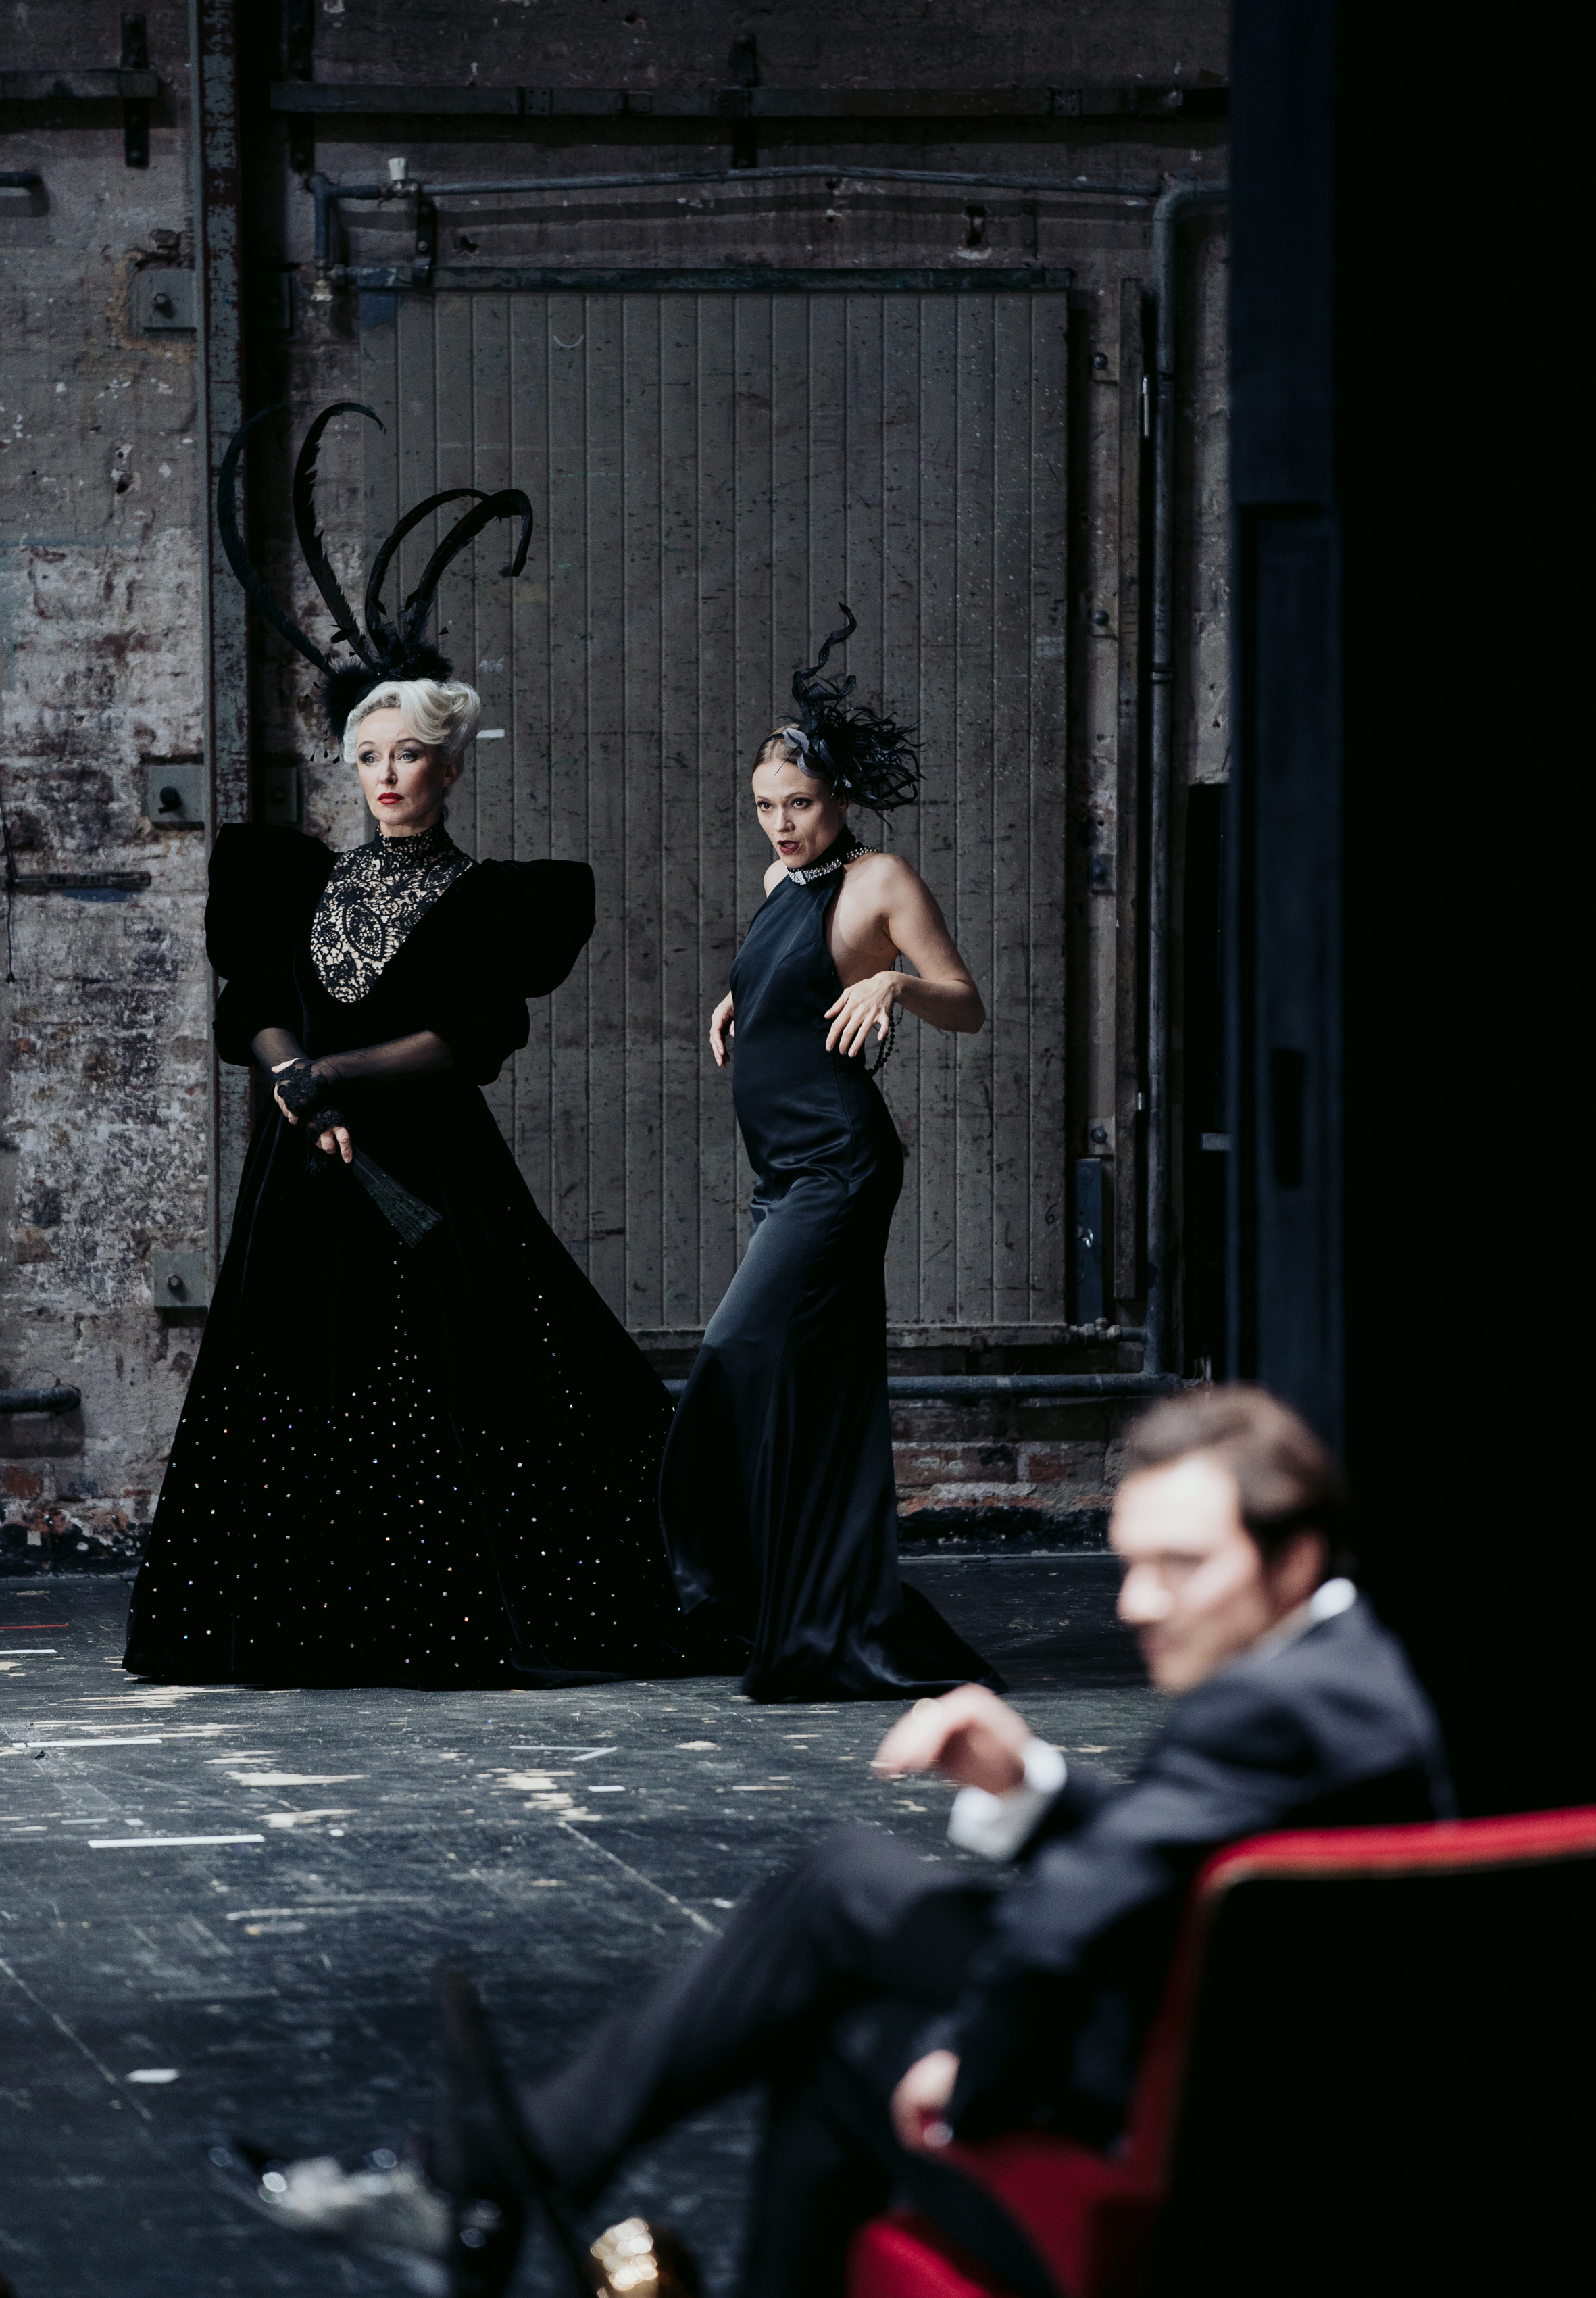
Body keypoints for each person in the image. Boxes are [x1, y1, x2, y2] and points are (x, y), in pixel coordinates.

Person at [221, 1384, 1453, 2296]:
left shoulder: (1271, 1711)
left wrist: (971, 2069)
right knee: (840, 1957)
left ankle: (481, 2181)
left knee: (840, 1934)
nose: (1136, 1604)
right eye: (1131, 1565)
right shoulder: (1347, 1676)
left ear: (1293, 1555)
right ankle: (488, 2177)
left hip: (1183, 2102)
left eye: (1179, 1568)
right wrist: (1033, 1781)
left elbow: (1068, 1927)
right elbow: (1199, 1858)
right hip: (1214, 2034)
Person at [123, 401, 693, 1688]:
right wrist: (291, 1070)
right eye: (370, 756)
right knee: (298, 1388)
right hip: (304, 1170)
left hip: (427, 1163)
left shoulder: (493, 900)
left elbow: (468, 1039)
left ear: (452, 769)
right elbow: (255, 998)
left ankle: (456, 1618)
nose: (387, 777)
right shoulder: (293, 877)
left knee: (460, 1385)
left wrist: (332, 1074)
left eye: (412, 758)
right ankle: (307, 1625)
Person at [659, 605, 997, 1702]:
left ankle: (721, 1590)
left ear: (836, 797)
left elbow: (966, 1003)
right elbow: (787, 975)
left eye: (798, 804)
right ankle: (821, 1617)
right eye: (765, 807)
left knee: (735, 1353)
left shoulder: (879, 879)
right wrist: (737, 999)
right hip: (781, 1174)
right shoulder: (778, 888)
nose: (781, 824)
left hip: (839, 1169)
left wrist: (894, 981)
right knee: (821, 1393)